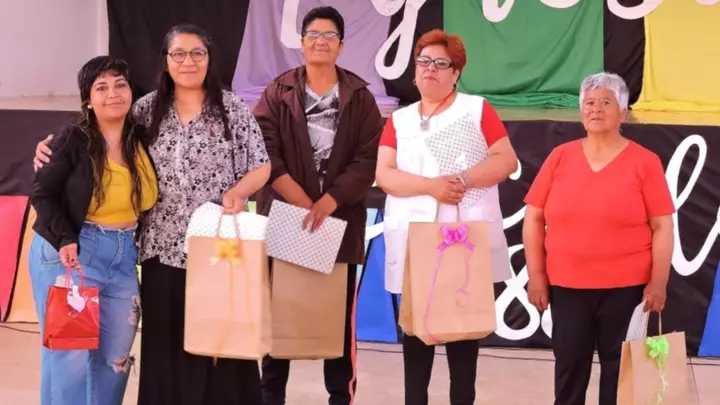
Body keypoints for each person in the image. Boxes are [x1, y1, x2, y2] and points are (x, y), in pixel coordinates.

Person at [33, 24, 271, 405]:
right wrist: (49, 146)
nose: (188, 61)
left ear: (209, 59)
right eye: (178, 54)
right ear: (165, 61)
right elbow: (99, 129)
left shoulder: (233, 109)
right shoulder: (145, 109)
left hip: (216, 248)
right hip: (159, 249)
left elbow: (261, 165)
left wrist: (240, 192)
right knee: (155, 347)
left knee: (220, 344)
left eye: (197, 53)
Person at [375, 29, 518, 405]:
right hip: (415, 241)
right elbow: (384, 175)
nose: (430, 69)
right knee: (415, 341)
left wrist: (463, 180)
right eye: (423, 61)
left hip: (462, 241)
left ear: (456, 73)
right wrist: (431, 187)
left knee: (462, 342)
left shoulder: (476, 109)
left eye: (441, 63)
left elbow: (506, 160)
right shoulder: (399, 119)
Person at [252, 6, 383, 405]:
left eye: (329, 36)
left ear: (341, 45)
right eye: (313, 34)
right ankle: (270, 397)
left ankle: (339, 397)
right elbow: (263, 150)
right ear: (302, 42)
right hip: (286, 218)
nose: (321, 41)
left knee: (337, 323)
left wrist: (329, 201)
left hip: (337, 221)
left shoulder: (359, 97)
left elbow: (367, 159)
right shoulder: (278, 91)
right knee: (279, 318)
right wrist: (303, 201)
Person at [523, 72, 675, 405]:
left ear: (623, 113)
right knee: (569, 371)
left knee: (621, 377)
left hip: (627, 289)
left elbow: (663, 226)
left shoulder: (645, 162)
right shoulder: (560, 157)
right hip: (567, 287)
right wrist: (536, 275)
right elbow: (533, 218)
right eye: (589, 102)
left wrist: (658, 281)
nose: (596, 108)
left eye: (606, 102)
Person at [29, 55, 158, 405]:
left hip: (123, 256)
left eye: (120, 84)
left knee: (116, 359)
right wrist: (65, 239)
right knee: (68, 359)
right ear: (88, 99)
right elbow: (43, 194)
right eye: (101, 87)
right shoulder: (72, 139)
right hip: (71, 253)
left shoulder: (142, 137)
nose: (113, 93)